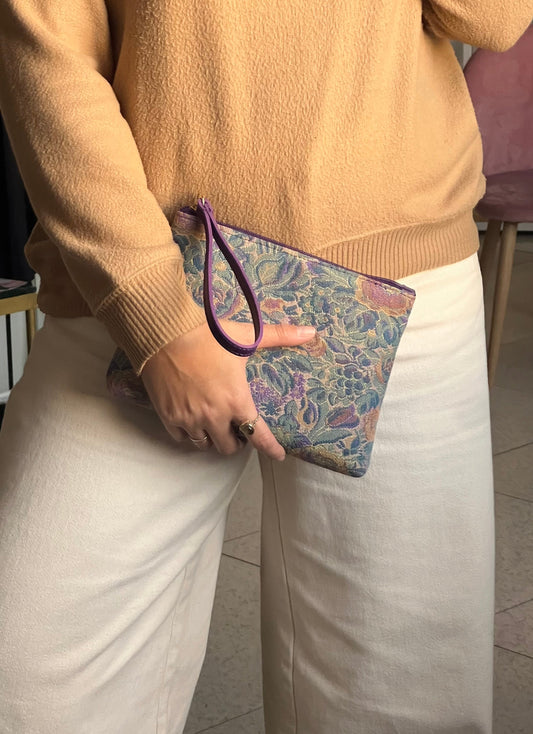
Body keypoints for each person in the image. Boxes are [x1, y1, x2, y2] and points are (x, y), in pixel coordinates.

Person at [0, 2, 531, 732]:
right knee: (31, 675)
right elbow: (47, 54)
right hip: (137, 270)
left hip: (393, 284)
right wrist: (158, 318)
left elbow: (491, 18)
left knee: (400, 696)